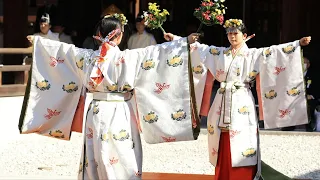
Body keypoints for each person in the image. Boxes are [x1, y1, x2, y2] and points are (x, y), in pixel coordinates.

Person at [19, 14, 203, 180]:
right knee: (122, 154)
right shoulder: (129, 58)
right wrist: (183, 42)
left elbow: (64, 51)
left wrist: (39, 43)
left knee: (96, 154)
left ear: (100, 33)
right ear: (119, 35)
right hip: (120, 109)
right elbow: (157, 53)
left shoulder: (87, 57)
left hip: (96, 110)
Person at [165, 18, 311, 180]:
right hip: (221, 101)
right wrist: (177, 39)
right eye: (229, 33)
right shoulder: (220, 53)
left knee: (243, 138)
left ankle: (243, 176)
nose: (232, 37)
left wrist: (298, 44)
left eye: (235, 33)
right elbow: (199, 49)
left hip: (242, 100)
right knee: (221, 138)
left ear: (245, 35)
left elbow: (274, 51)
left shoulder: (253, 54)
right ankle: (223, 174)